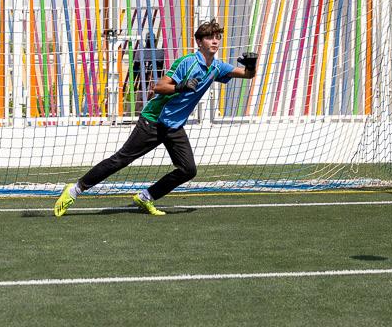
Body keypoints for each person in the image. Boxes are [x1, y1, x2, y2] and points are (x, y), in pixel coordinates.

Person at [54, 19, 257, 217]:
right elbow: (158, 87)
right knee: (121, 159)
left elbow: (247, 74)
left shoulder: (217, 67)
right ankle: (74, 189)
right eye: (209, 37)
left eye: (217, 37)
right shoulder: (187, 62)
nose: (214, 41)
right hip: (154, 120)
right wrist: (180, 86)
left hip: (174, 126)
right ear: (199, 42)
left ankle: (146, 197)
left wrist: (251, 65)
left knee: (188, 170)